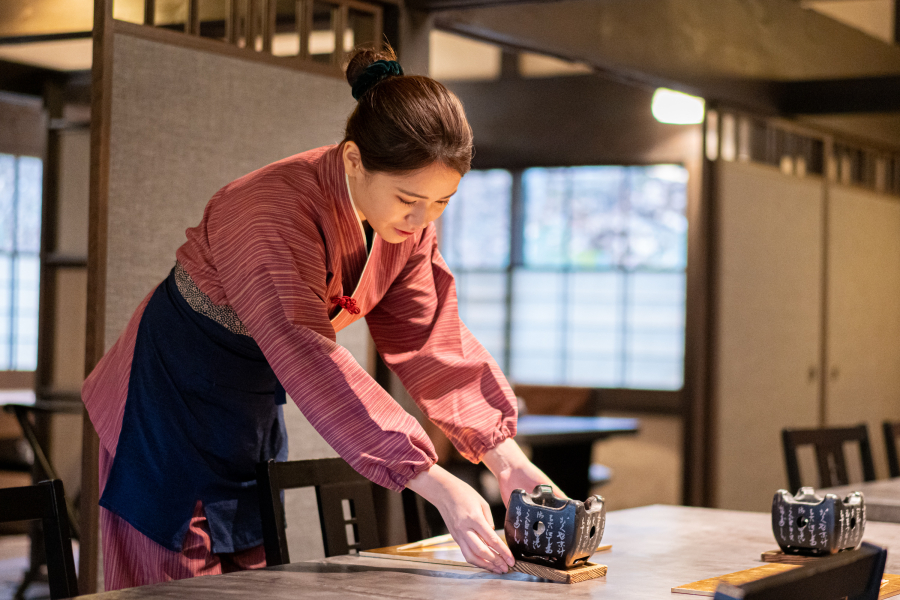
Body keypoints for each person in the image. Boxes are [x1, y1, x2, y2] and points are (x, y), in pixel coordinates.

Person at [82, 47, 559, 591]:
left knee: (248, 582)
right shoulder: (268, 209)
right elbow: (307, 350)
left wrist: (506, 459)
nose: (423, 219)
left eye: (442, 202)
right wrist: (432, 479)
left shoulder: (406, 228)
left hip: (248, 404)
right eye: (409, 198)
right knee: (171, 586)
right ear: (353, 159)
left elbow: (430, 340)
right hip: (166, 395)